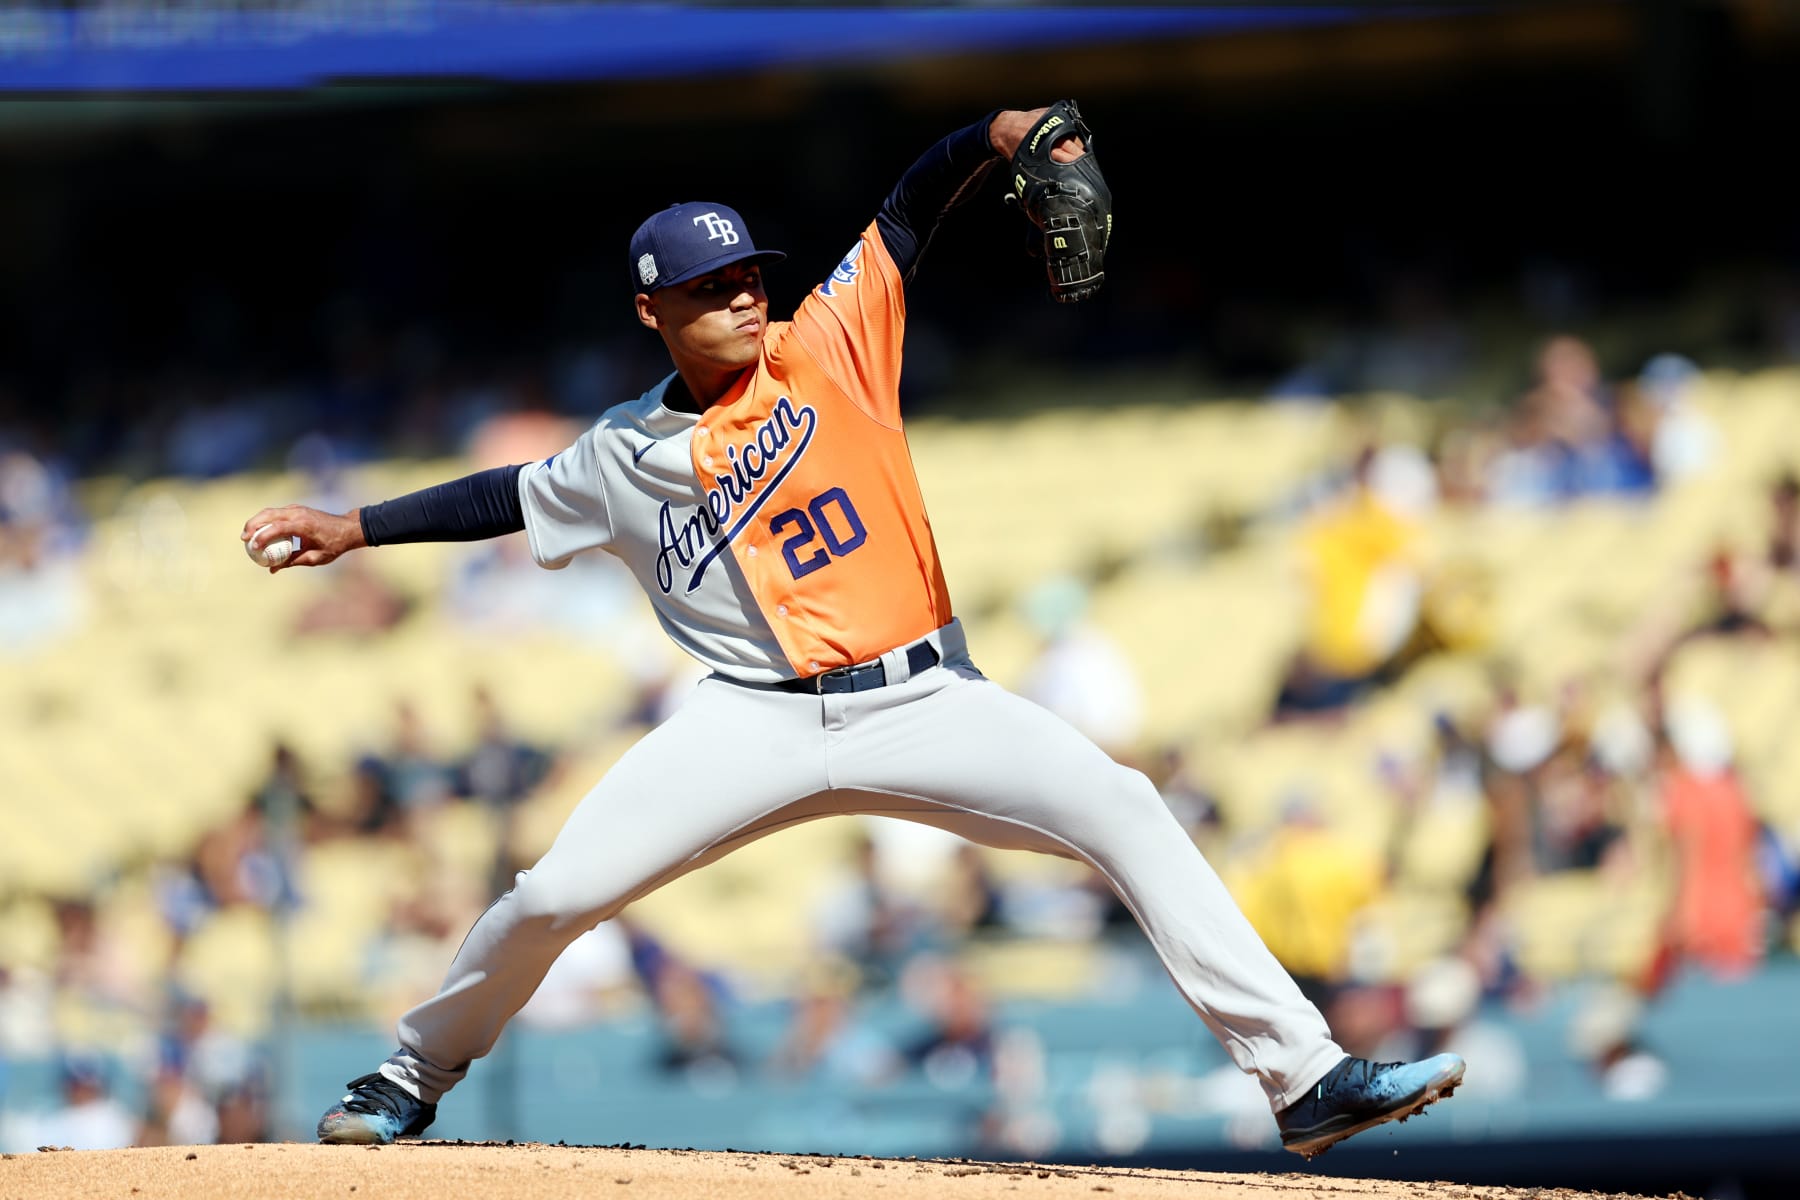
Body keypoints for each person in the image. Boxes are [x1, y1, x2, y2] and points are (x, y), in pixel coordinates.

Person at [243, 101, 1463, 1160]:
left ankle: (1303, 1081)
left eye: (750, 275)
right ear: (650, 311)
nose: (744, 295)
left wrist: (1001, 137)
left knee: (1125, 808)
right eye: (712, 288)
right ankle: (410, 1076)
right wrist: (353, 526)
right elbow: (501, 495)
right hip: (747, 720)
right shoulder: (620, 452)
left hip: (925, 699)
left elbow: (913, 202)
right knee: (553, 893)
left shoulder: (830, 340)